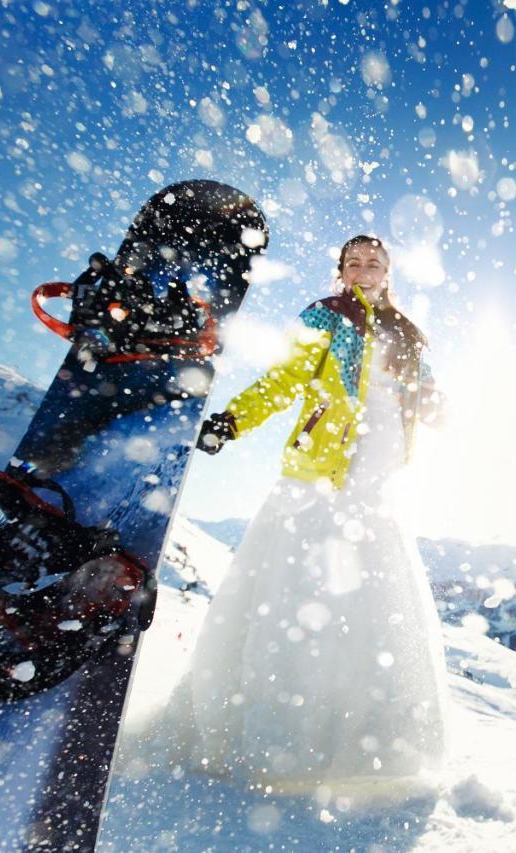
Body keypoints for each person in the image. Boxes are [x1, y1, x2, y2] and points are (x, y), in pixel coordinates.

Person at [181, 234, 447, 789]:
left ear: (389, 270)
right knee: (299, 585)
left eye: (373, 262)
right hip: (322, 461)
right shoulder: (325, 315)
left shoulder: (406, 330)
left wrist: (439, 404)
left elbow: (425, 392)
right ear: (341, 270)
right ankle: (277, 728)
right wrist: (235, 419)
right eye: (354, 262)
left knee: (367, 592)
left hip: (378, 464)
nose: (364, 268)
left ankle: (360, 730)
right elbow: (286, 377)